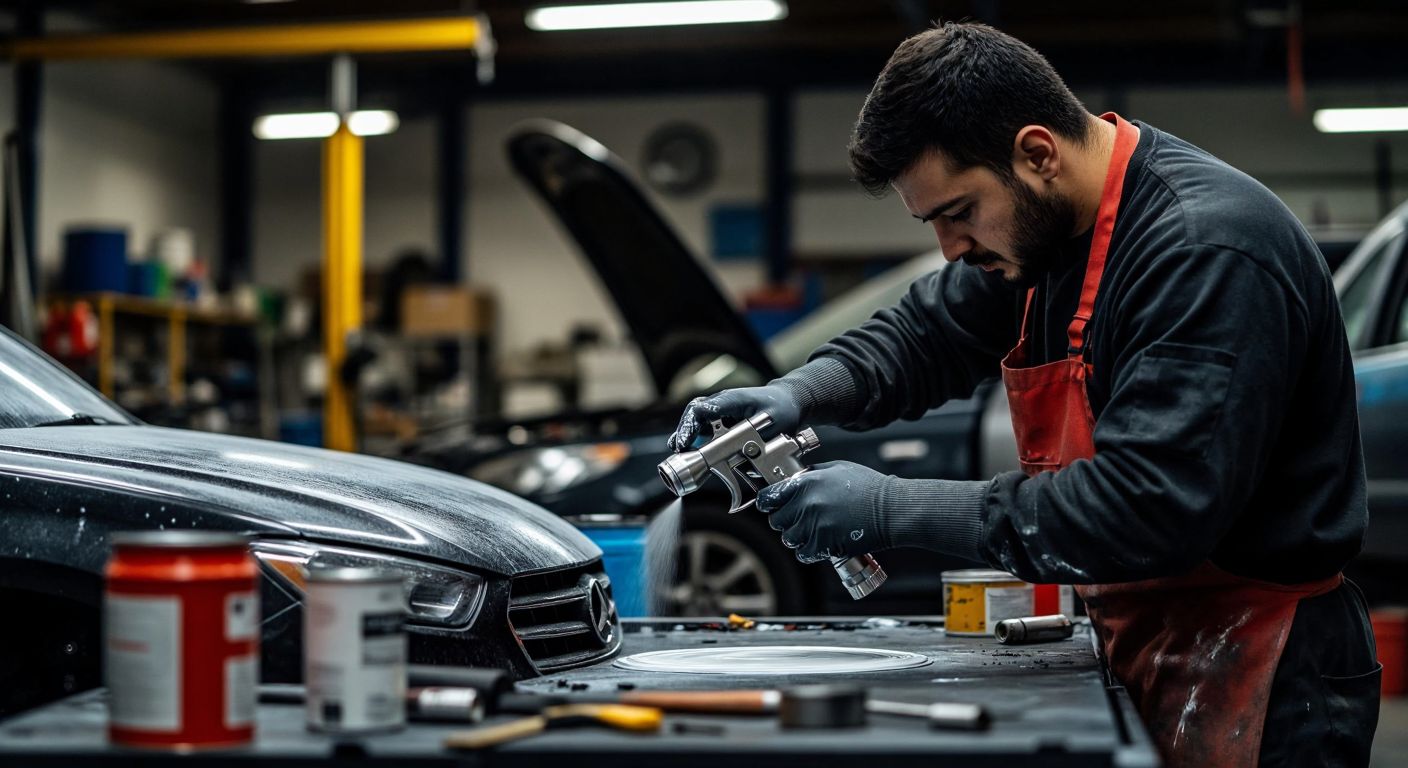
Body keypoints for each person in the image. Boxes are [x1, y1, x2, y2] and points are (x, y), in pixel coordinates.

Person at [668, 22, 1378, 768]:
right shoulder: (1048, 235)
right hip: (1150, 634)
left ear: (1037, 153)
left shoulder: (1203, 251)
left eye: (959, 212)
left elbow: (1148, 508)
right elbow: (925, 333)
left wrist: (890, 508)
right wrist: (795, 394)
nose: (951, 247)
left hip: (1269, 670)